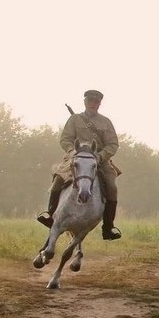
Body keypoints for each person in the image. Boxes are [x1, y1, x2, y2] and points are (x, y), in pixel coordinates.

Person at [37, 89, 122, 240]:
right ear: (85, 102)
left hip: (99, 161)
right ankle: (50, 215)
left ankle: (108, 227)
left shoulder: (106, 122)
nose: (93, 104)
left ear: (99, 104)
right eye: (90, 101)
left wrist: (101, 156)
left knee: (112, 188)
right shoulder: (75, 119)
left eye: (96, 102)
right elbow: (65, 139)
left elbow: (113, 144)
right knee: (58, 180)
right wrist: (72, 151)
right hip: (76, 158)